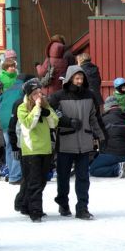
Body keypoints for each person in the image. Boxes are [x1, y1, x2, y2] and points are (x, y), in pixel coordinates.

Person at [48, 65, 105, 220]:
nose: (79, 81)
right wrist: (67, 121)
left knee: (83, 178)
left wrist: (102, 137)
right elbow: (50, 114)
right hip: (65, 142)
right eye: (77, 78)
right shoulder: (58, 96)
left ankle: (82, 207)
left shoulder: (90, 95)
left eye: (81, 78)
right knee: (63, 177)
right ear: (70, 79)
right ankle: (63, 202)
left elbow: (94, 118)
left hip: (84, 143)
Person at [15, 79, 59, 222]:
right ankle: (35, 211)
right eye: (35, 94)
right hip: (31, 150)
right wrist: (37, 108)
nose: (40, 96)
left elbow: (54, 123)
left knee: (42, 181)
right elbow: (29, 123)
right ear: (29, 96)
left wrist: (46, 112)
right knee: (33, 182)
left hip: (45, 149)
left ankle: (26, 205)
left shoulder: (46, 105)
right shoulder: (22, 107)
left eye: (41, 92)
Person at [89, 97, 125, 177]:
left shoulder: (104, 119)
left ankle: (118, 169)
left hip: (113, 154)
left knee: (93, 169)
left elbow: (93, 135)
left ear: (107, 107)